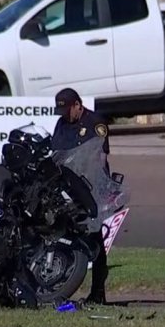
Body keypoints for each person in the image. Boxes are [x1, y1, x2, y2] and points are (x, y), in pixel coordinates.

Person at [52, 87, 111, 305]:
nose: (65, 115)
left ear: (77, 105)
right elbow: (56, 151)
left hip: (90, 187)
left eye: (68, 110)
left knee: (95, 240)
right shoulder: (61, 124)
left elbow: (100, 157)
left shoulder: (95, 123)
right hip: (66, 186)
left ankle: (98, 292)